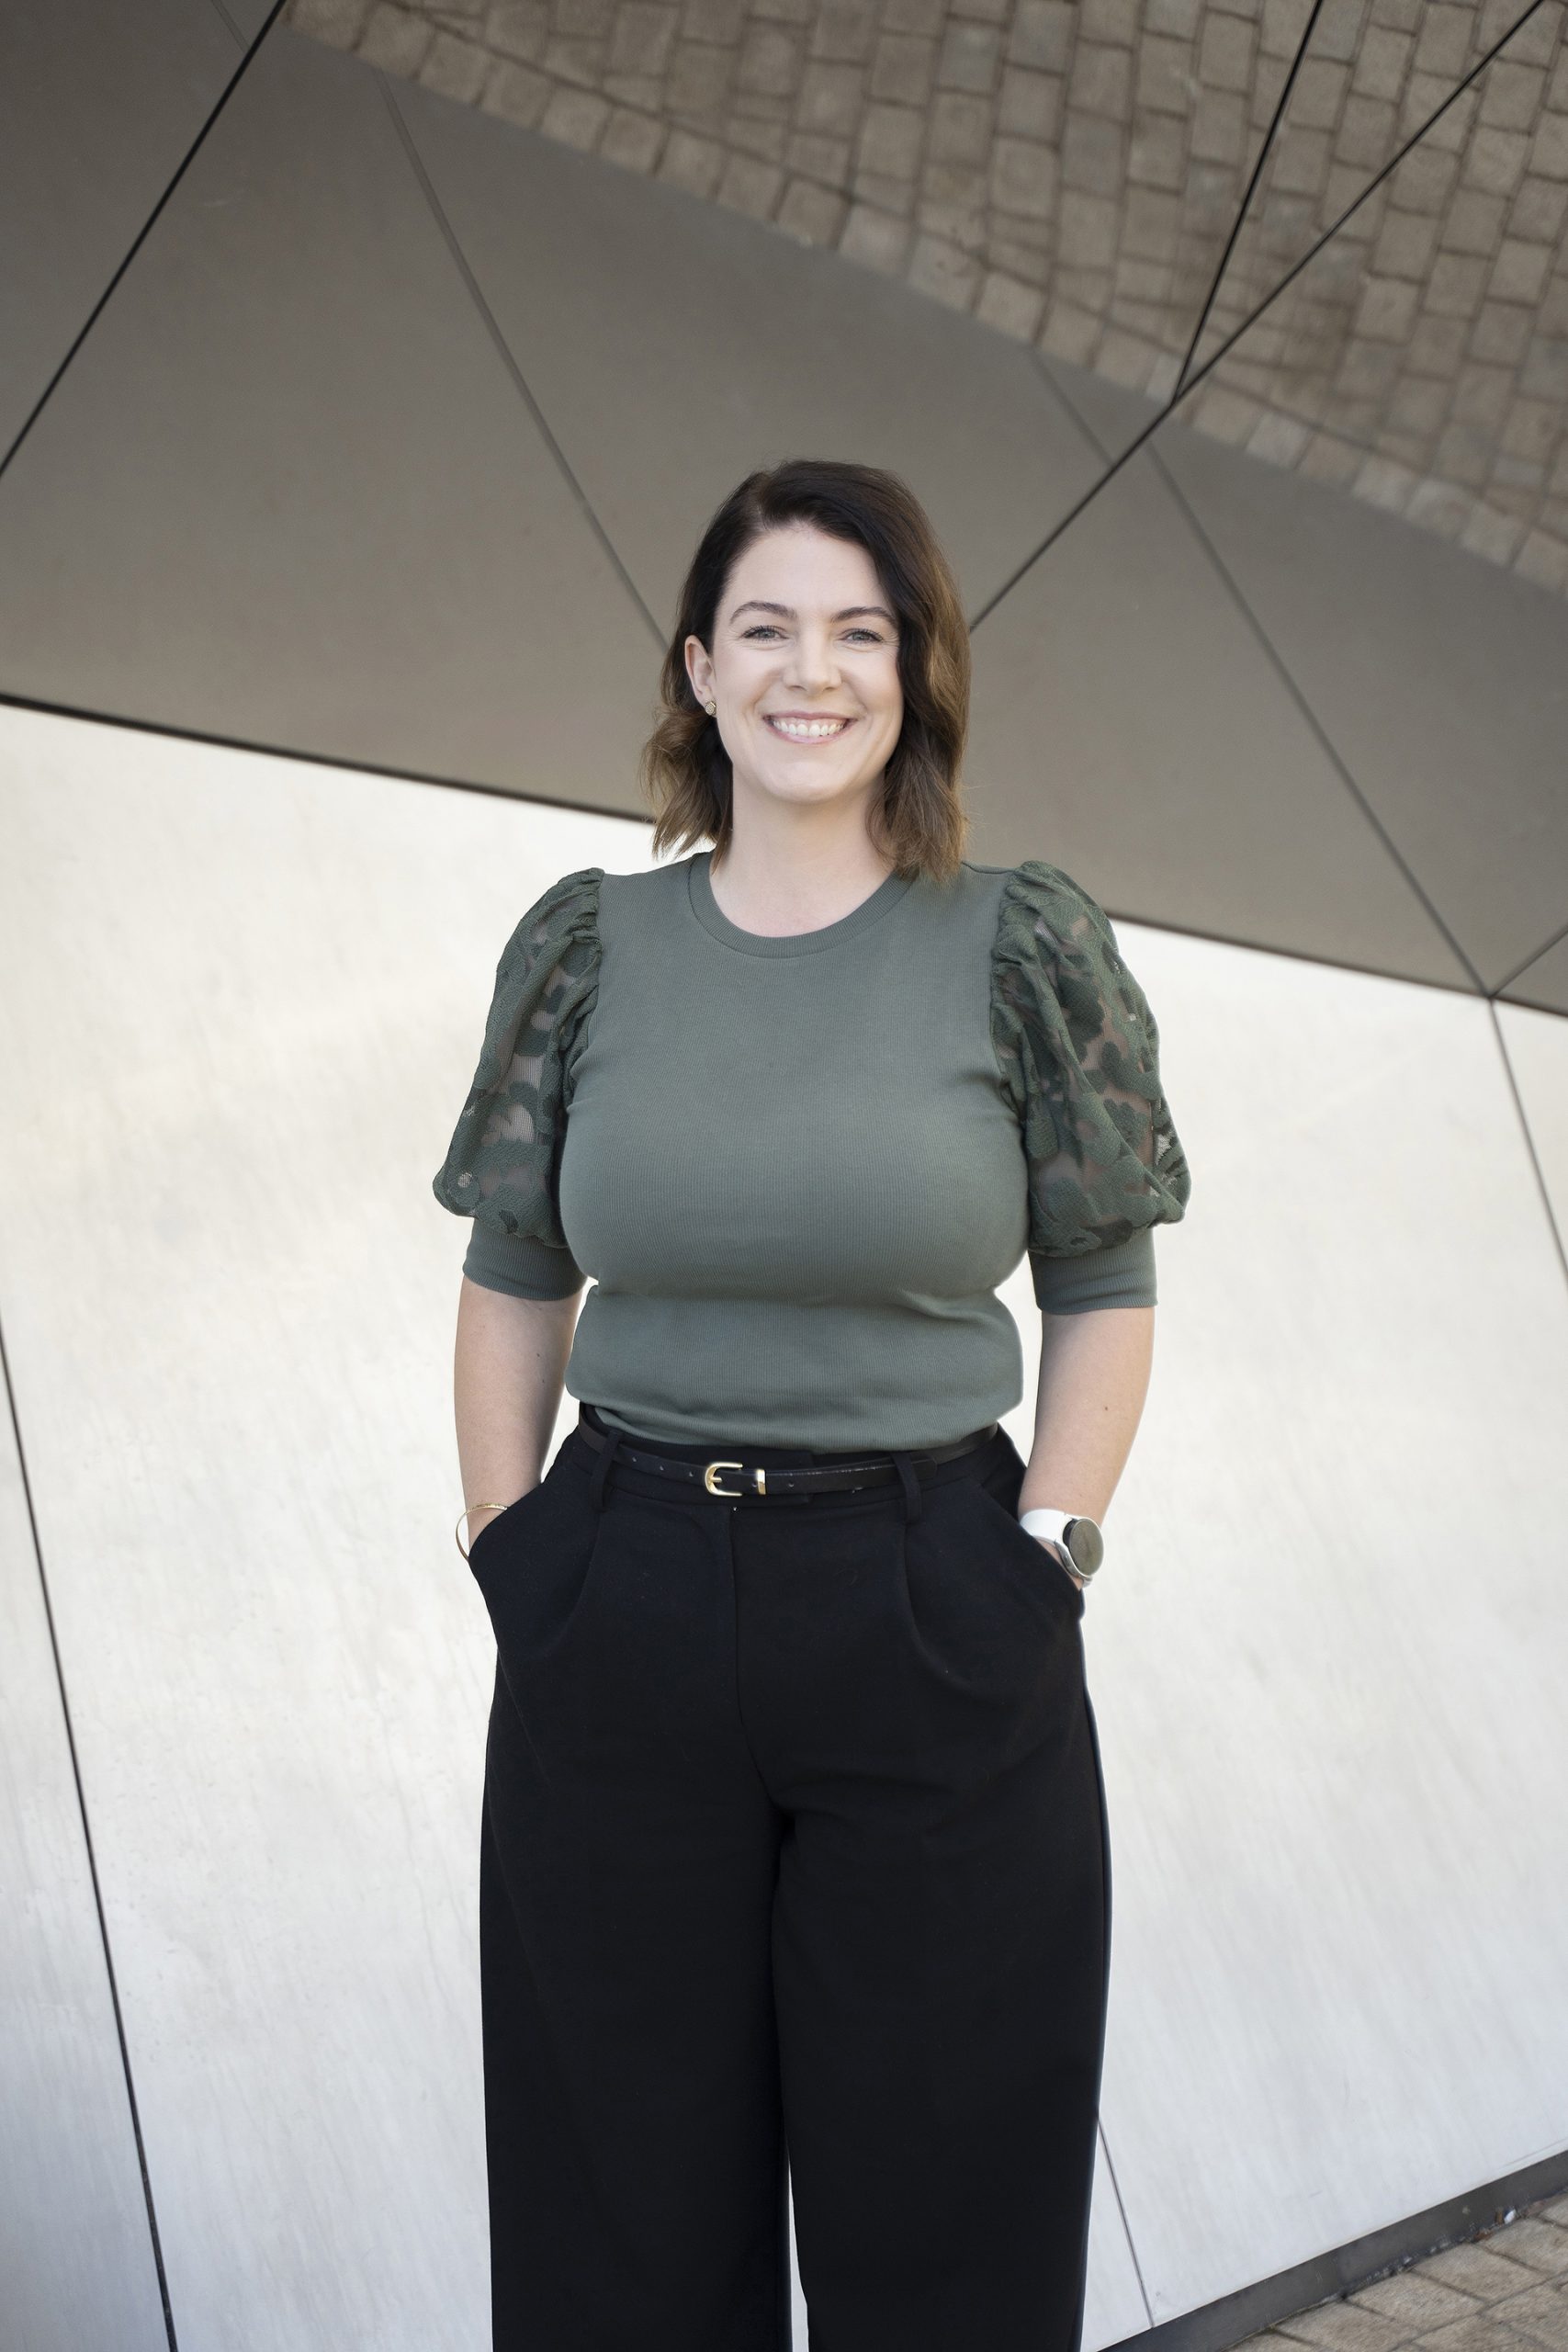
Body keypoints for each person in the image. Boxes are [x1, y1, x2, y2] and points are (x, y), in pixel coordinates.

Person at [433, 457, 1191, 2352]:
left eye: (860, 630)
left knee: (944, 2218)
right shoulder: (588, 947)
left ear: (912, 672)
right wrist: (514, 1545)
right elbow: (515, 1268)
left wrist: (1044, 1553)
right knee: (618, 2223)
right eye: (764, 628)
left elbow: (1102, 1285)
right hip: (621, 1602)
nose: (811, 671)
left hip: (932, 1604)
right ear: (699, 668)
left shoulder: (1020, 947)